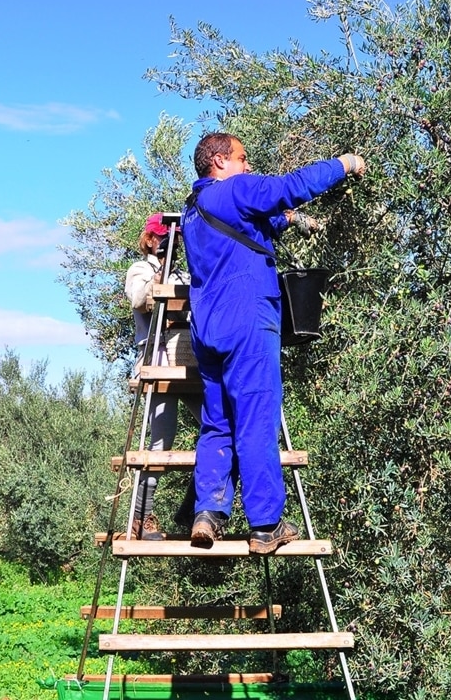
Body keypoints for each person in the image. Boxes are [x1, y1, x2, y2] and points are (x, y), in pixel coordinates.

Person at [181, 132, 366, 553]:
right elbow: (290, 186)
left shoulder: (194, 210)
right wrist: (344, 164)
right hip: (247, 318)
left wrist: (291, 221)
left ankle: (207, 513)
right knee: (256, 418)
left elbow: (249, 227)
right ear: (219, 161)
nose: (248, 166)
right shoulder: (237, 188)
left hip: (208, 329)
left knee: (217, 423)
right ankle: (265, 526)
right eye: (242, 159)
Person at [123, 213, 202, 540]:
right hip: (157, 360)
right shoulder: (140, 269)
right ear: (151, 239)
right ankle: (143, 516)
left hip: (190, 363)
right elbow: (140, 300)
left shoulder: (186, 272)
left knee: (222, 430)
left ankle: (196, 509)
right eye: (164, 237)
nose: (170, 242)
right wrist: (162, 268)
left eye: (175, 239)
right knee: (160, 442)